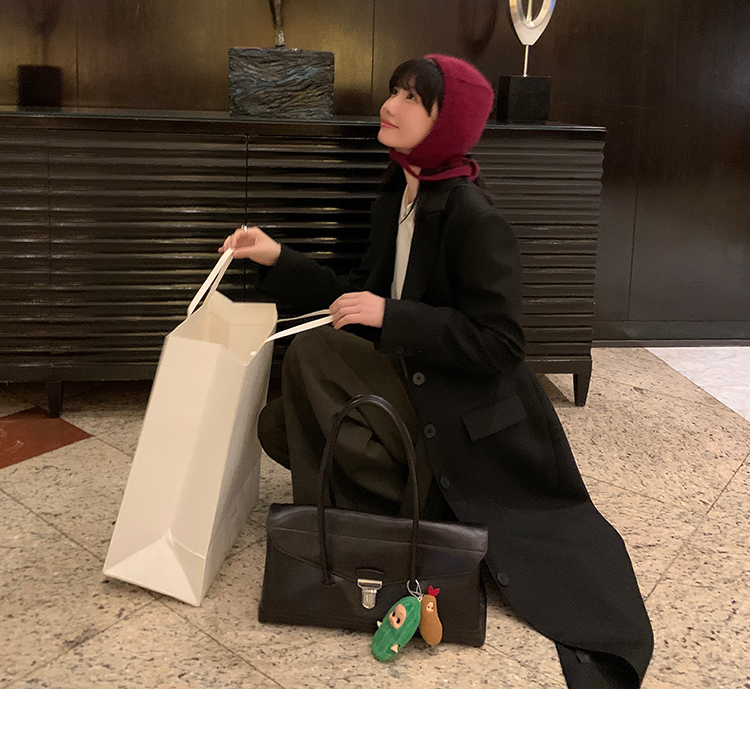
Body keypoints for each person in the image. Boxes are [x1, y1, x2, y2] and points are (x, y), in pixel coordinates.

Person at [219, 53, 654, 688]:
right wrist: (275, 256)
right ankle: (397, 505)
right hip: (407, 376)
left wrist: (394, 316)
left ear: (445, 122)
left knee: (311, 357)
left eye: (411, 99)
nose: (389, 106)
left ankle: (341, 531)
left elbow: (500, 344)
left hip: (457, 406)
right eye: (393, 91)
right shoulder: (398, 192)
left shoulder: (474, 216)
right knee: (280, 426)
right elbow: (355, 299)